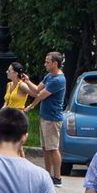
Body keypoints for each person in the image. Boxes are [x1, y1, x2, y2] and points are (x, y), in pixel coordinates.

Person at [16, 52, 67, 184]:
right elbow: (36, 90)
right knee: (45, 147)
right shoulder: (49, 76)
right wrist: (27, 81)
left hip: (53, 118)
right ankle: (47, 174)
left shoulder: (58, 80)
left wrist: (31, 106)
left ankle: (57, 177)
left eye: (47, 62)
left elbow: (40, 95)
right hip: (45, 117)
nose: (45, 64)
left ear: (55, 63)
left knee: (53, 148)